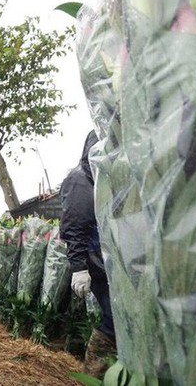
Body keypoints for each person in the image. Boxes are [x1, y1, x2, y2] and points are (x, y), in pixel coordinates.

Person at [59, 130, 116, 378]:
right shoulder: (81, 180)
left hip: (109, 256)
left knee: (116, 316)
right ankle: (95, 371)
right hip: (94, 257)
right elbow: (74, 227)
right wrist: (79, 268)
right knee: (113, 317)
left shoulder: (104, 177)